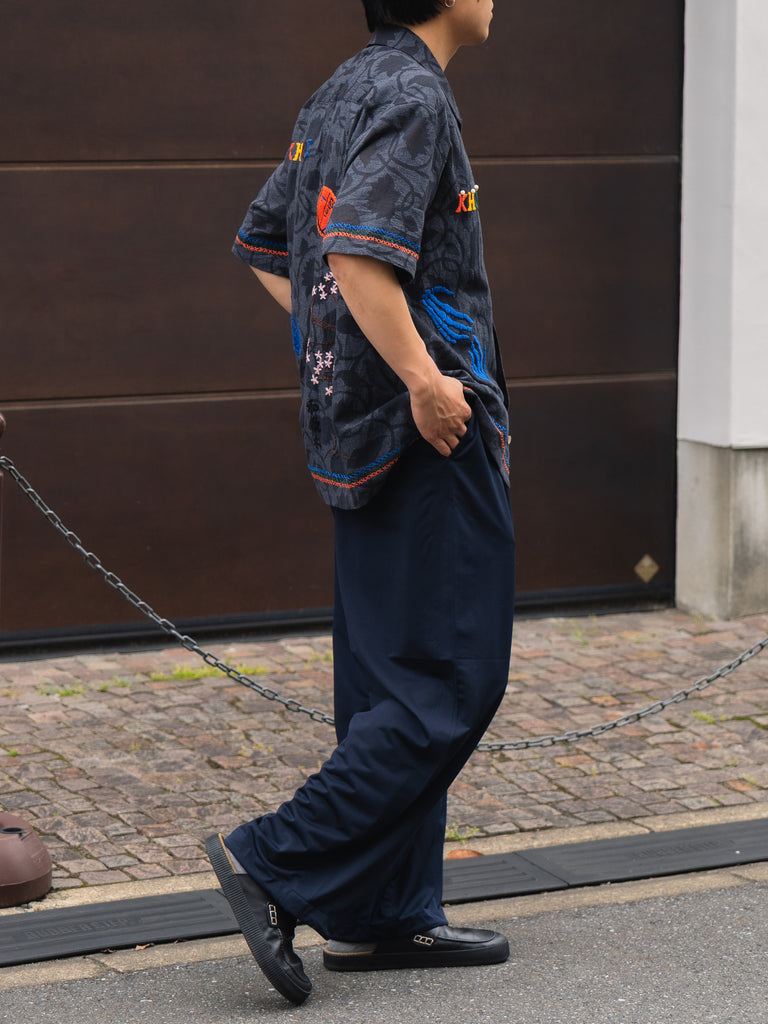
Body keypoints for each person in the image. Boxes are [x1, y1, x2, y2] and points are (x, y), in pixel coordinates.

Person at [206, 0, 515, 1005]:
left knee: (390, 685)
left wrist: (348, 355)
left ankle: (384, 911)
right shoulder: (413, 94)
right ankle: (272, 859)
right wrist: (422, 379)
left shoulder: (341, 88)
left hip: (355, 436)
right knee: (447, 682)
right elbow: (353, 254)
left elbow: (270, 245)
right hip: (427, 437)